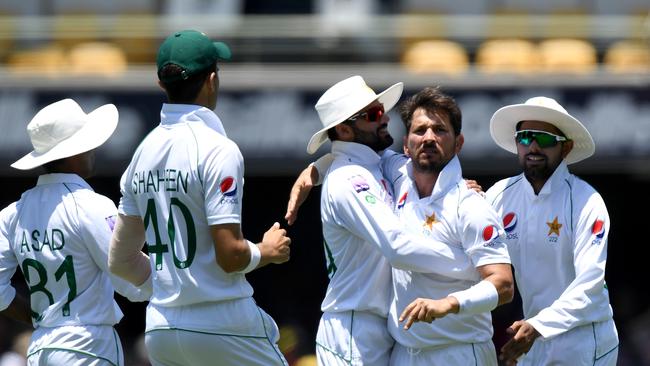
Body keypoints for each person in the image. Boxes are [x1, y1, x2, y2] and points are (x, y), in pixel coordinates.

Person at [288, 86, 513, 365]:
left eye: (439, 130)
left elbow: (503, 285)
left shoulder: (395, 172)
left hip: (450, 349)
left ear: (458, 143)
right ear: (407, 145)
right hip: (357, 331)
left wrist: (318, 168)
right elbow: (396, 246)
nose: (384, 118)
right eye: (373, 114)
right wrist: (469, 266)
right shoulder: (351, 178)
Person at [107, 30, 291, 366]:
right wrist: (266, 251)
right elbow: (230, 255)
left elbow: (120, 261)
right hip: (223, 323)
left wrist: (172, 288)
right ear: (211, 80)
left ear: (163, 85)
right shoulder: (218, 149)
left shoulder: (142, 154)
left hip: (161, 330)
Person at [0, 98, 152, 365]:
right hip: (88, 348)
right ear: (73, 153)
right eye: (87, 143)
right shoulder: (90, 205)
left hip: (40, 349)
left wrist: (38, 318)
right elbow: (130, 279)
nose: (93, 149)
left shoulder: (13, 213)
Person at [485, 96, 619, 365]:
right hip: (531, 337)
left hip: (584, 339)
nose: (533, 146)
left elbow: (590, 285)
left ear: (566, 148)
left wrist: (538, 327)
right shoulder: (497, 196)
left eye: (544, 139)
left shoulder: (586, 201)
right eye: (525, 137)